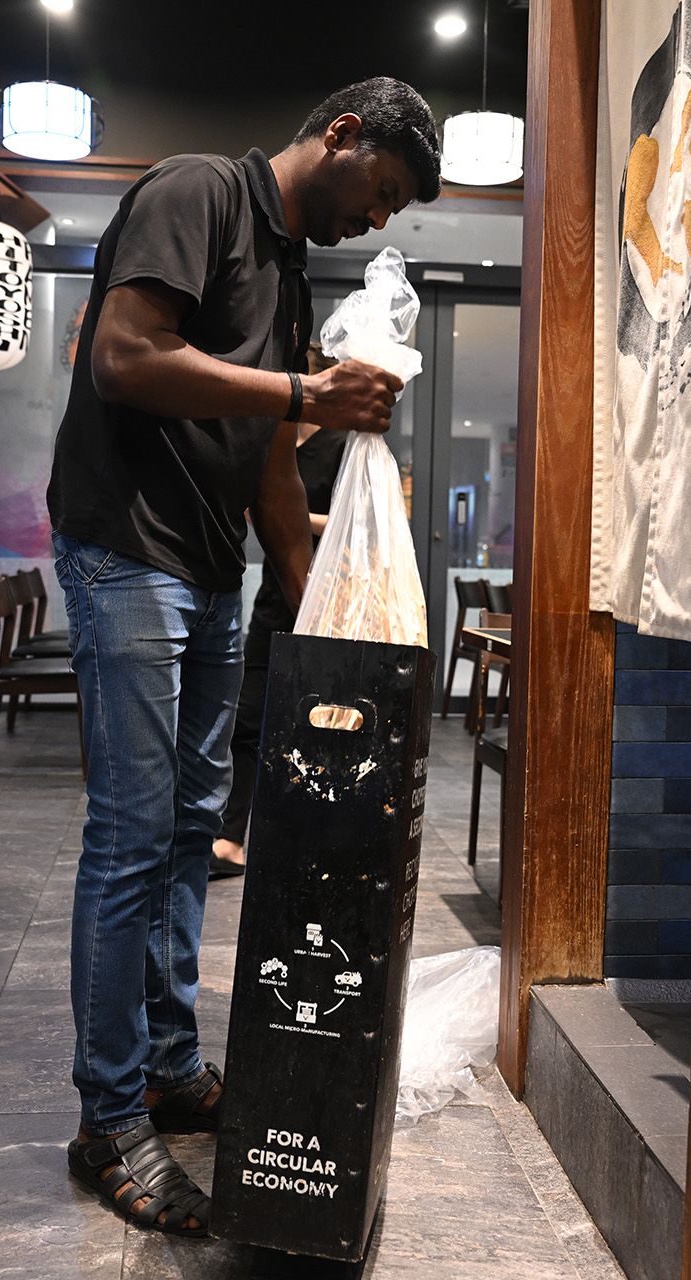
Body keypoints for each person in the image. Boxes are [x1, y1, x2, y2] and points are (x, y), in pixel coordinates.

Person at [45, 77, 441, 1238]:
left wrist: (321, 619)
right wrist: (305, 387)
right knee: (129, 834)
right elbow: (125, 355)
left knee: (187, 828)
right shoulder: (199, 193)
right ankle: (108, 1115)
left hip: (212, 569)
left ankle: (169, 1063)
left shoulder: (288, 269)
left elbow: (273, 460)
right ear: (340, 134)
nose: (377, 219)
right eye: (381, 191)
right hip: (127, 548)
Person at [209, 344, 349, 880]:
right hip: (273, 596)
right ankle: (229, 837)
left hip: (327, 597)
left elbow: (352, 522)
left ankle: (308, 840)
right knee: (248, 720)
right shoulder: (275, 439)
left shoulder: (341, 445)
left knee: (317, 725)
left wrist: (284, 514)